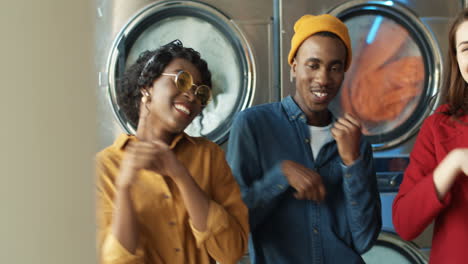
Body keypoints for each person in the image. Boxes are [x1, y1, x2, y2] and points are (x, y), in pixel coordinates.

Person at [226, 14, 381, 264]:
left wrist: (351, 162)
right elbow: (233, 226)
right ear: (294, 67)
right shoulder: (253, 125)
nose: (323, 79)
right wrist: (280, 176)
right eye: (313, 65)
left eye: (335, 67)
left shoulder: (355, 141)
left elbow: (363, 239)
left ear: (344, 72)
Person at [96, 40, 249, 264]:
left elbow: (231, 251)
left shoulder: (209, 156)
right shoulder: (103, 167)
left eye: (201, 93)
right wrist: (124, 189)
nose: (192, 96)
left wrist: (180, 175)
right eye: (182, 80)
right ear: (146, 86)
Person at [392, 9, 468, 264]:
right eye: (466, 48)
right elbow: (405, 224)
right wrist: (453, 163)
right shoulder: (439, 127)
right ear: (456, 59)